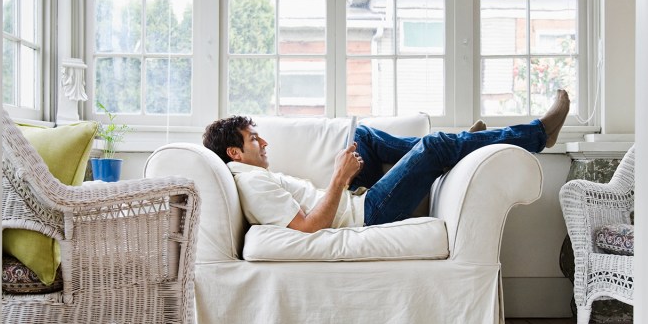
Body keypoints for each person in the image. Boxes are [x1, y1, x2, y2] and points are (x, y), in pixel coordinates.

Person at [203, 90, 570, 233]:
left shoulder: (247, 174)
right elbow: (308, 228)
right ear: (234, 153)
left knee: (365, 136)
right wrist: (339, 180)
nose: (264, 142)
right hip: (369, 212)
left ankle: (460, 146)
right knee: (433, 146)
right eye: (254, 139)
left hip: (358, 198)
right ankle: (538, 135)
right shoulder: (251, 182)